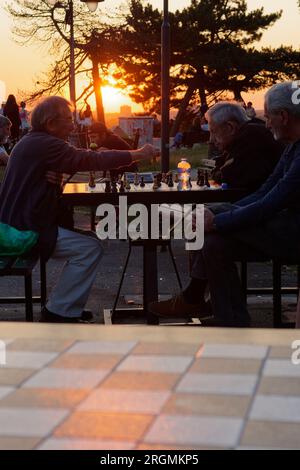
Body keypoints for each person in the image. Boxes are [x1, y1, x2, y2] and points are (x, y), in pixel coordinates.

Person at [149, 81, 300, 328]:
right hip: (283, 224)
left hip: (292, 231)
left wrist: (218, 221)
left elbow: (271, 202)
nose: (266, 122)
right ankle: (227, 317)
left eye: (269, 116)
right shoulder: (292, 147)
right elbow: (265, 190)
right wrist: (217, 215)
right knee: (214, 242)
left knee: (210, 227)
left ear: (283, 116)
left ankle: (199, 300)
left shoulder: (284, 146)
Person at [0, 96, 159, 323]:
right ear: (51, 123)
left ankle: (66, 306)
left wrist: (58, 177)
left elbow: (67, 165)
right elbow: (87, 159)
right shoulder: (46, 144)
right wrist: (138, 154)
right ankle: (58, 311)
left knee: (92, 242)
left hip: (17, 224)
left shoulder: (32, 141)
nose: (73, 125)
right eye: (67, 119)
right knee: (90, 248)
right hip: (24, 232)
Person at [208, 102, 284, 191]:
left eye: (213, 132)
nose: (211, 140)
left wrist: (217, 171)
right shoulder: (243, 136)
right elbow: (221, 164)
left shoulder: (251, 137)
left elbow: (228, 177)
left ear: (230, 127)